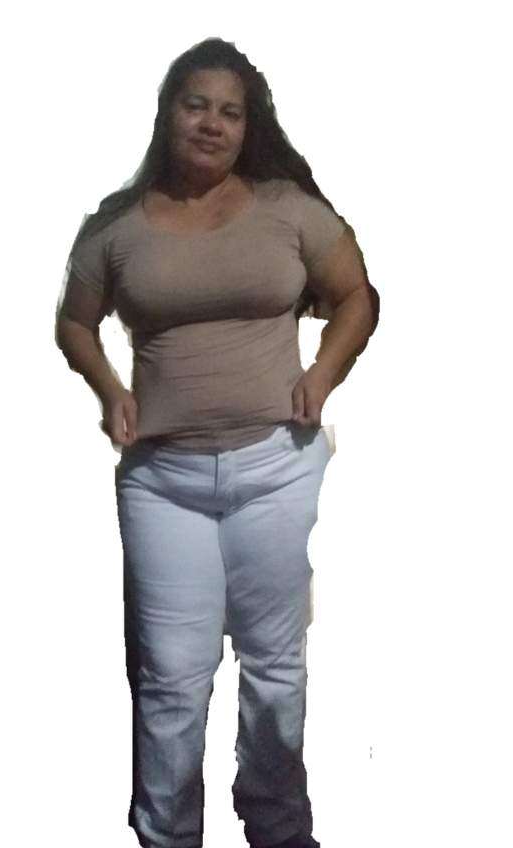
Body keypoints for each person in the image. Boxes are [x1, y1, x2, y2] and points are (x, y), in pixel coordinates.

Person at [56, 38, 379, 848]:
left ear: (248, 126)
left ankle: (279, 827)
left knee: (275, 666)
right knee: (171, 674)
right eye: (196, 105)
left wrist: (323, 375)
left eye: (230, 113)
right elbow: (73, 323)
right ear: (168, 114)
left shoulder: (286, 207)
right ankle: (166, 835)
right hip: (161, 480)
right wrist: (109, 391)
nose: (212, 123)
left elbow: (355, 297)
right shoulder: (117, 221)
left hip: (276, 469)